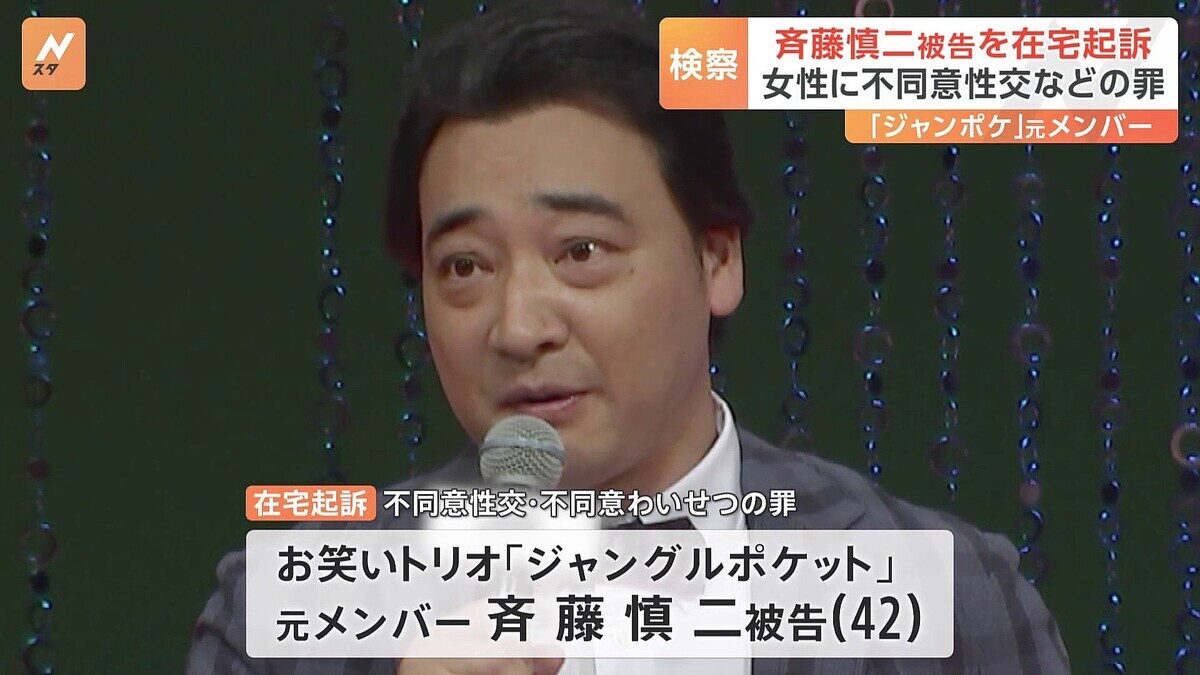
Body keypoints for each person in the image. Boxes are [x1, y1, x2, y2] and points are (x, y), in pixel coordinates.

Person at [186, 1, 1071, 673]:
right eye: (463, 266)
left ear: (717, 257)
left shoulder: (952, 604)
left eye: (581, 251)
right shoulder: (284, 616)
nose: (519, 327)